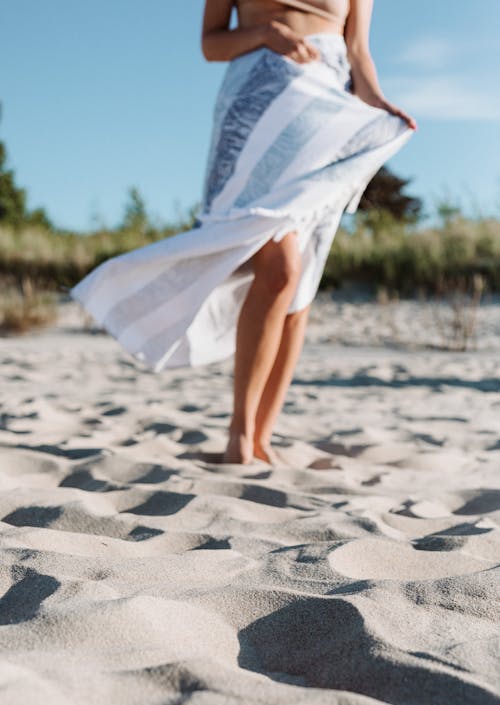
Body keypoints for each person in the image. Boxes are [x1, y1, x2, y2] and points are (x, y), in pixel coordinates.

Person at [70, 0, 416, 465]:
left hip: (323, 110)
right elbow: (211, 44)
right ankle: (240, 431)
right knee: (279, 268)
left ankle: (262, 438)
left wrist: (377, 102)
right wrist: (263, 34)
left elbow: (358, 50)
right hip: (255, 102)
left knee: (301, 283)